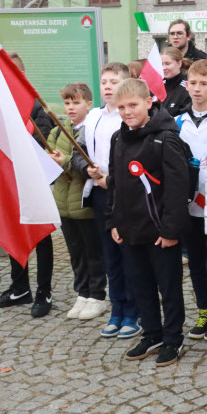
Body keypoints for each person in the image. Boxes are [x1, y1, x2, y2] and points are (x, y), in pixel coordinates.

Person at [107, 78, 189, 367]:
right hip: (130, 230)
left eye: (133, 105)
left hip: (159, 233)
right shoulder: (118, 139)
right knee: (140, 286)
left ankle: (173, 338)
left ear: (148, 102)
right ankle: (152, 333)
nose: (127, 112)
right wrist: (114, 222)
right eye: (121, 107)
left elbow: (178, 190)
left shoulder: (165, 139)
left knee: (168, 287)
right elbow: (115, 184)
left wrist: (170, 231)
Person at [0, 52, 56, 318]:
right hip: (8, 182)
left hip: (32, 182)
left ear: (21, 77)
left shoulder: (35, 107)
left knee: (40, 234)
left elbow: (43, 144)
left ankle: (44, 291)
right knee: (13, 230)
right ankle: (19, 287)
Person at [85, 63, 141, 340]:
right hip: (99, 190)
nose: (107, 86)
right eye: (104, 81)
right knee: (110, 254)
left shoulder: (126, 117)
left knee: (127, 252)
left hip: (123, 191)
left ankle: (134, 310)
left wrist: (112, 180)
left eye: (113, 81)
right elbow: (88, 151)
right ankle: (117, 307)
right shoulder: (94, 116)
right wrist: (91, 171)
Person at [46, 83, 108, 322]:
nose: (71, 107)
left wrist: (65, 161)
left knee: (93, 252)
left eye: (76, 102)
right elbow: (50, 158)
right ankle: (82, 293)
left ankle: (97, 295)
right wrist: (52, 159)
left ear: (88, 104)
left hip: (85, 202)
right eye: (68, 103)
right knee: (75, 252)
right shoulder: (58, 131)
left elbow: (90, 163)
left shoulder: (92, 131)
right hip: (64, 202)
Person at [175, 60, 207, 340]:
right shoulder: (177, 120)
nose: (198, 89)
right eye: (193, 83)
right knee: (197, 263)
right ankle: (205, 309)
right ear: (186, 84)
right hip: (189, 205)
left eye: (204, 83)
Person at [160, 46, 192, 117]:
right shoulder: (157, 86)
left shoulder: (186, 89)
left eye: (167, 64)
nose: (164, 68)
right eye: (161, 64)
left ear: (179, 63)